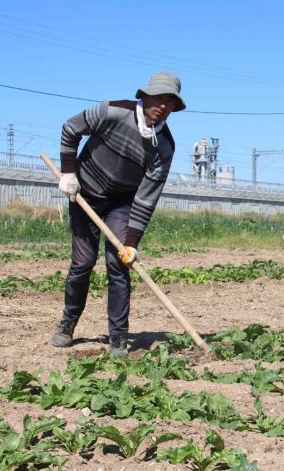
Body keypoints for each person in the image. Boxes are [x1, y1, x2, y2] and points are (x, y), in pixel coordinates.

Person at [49, 71, 186, 357]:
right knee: (83, 263)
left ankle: (118, 337)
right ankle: (67, 324)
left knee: (119, 263)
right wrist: (69, 173)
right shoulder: (111, 111)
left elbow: (147, 196)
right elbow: (70, 128)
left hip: (122, 203)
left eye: (170, 101)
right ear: (144, 96)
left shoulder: (165, 147)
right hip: (84, 193)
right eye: (158, 97)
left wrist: (132, 242)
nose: (162, 105)